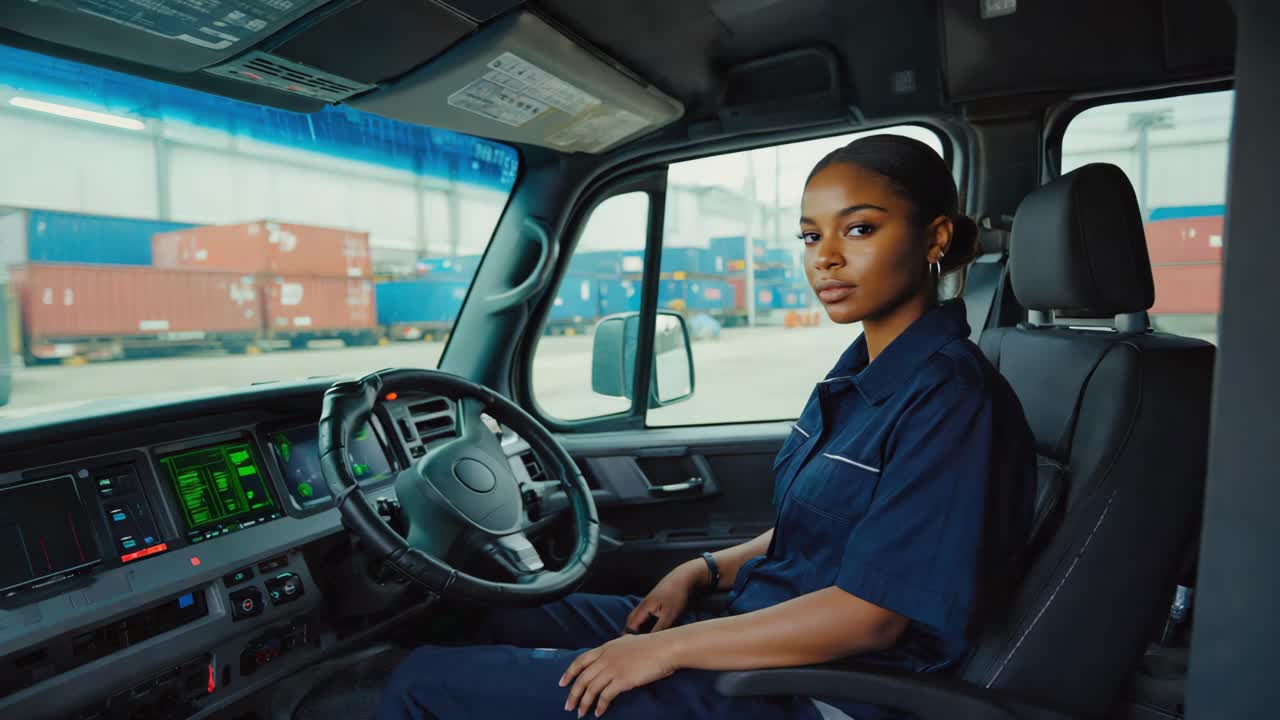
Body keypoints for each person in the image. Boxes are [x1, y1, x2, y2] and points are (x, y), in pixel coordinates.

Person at [379, 134, 1037, 720]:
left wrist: (669, 650)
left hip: (823, 689)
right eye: (811, 236)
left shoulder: (952, 400)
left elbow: (870, 616)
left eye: (859, 229)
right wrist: (698, 572)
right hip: (759, 633)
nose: (826, 259)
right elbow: (832, 528)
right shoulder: (863, 375)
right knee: (498, 614)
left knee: (422, 685)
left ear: (936, 238)